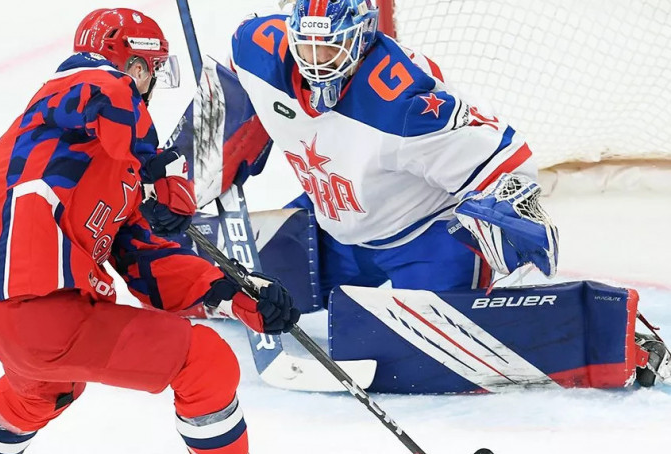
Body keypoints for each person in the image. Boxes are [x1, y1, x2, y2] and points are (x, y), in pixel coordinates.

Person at [0, 8, 299, 454]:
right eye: (151, 71)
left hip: (10, 316)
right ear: (135, 66)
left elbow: (148, 263)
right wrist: (153, 163)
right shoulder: (76, 91)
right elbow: (105, 91)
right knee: (205, 361)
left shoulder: (101, 156)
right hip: (36, 306)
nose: (150, 86)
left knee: (42, 393)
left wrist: (236, 294)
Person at [228, 0, 557, 303]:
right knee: (239, 289)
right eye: (306, 46)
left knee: (429, 353)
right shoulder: (257, 49)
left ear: (363, 35)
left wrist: (508, 208)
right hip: (336, 225)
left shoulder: (400, 100)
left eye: (330, 47)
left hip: (425, 238)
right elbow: (230, 89)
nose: (316, 61)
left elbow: (502, 154)